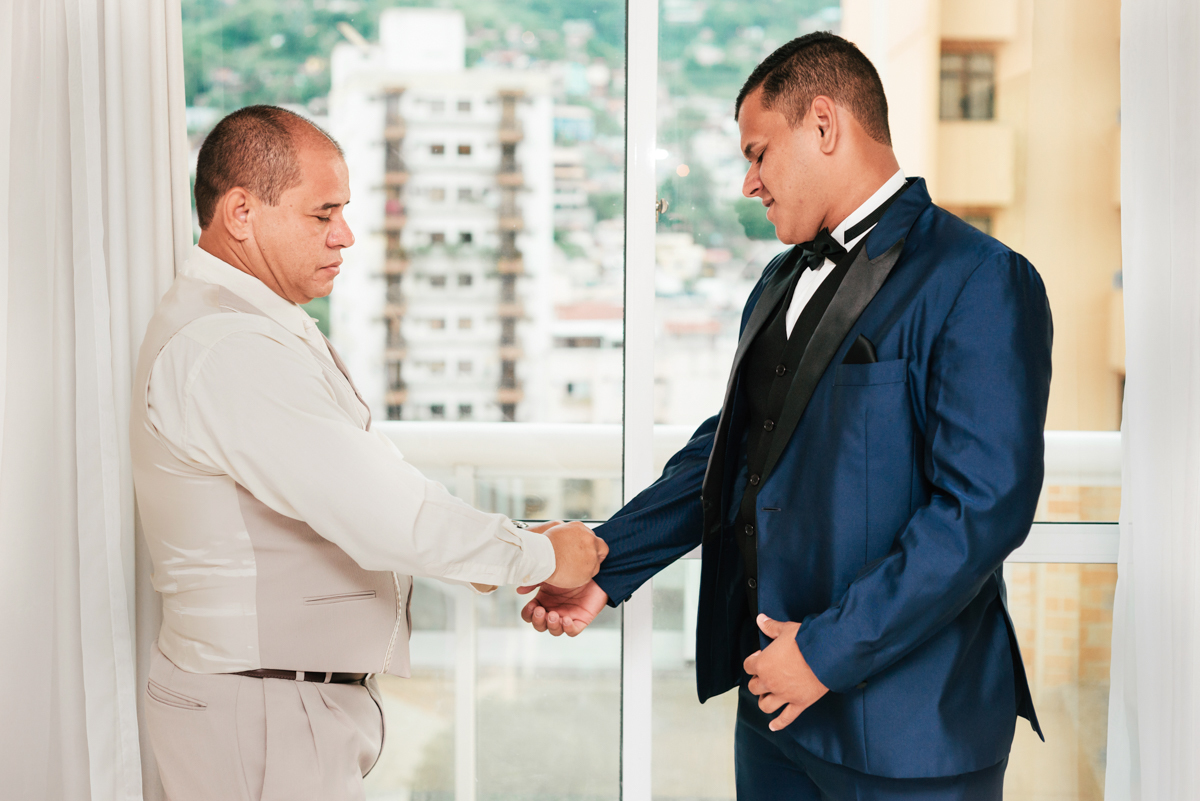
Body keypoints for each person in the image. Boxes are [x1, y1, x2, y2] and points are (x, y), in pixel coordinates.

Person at [520, 32, 1051, 800]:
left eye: (758, 153)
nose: (749, 183)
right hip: (773, 715)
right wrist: (608, 560)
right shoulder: (775, 280)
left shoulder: (981, 277)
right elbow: (733, 452)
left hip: (912, 735)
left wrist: (824, 653)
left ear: (825, 125)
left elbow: (982, 510)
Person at [130, 105, 608, 801]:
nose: (345, 235)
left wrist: (492, 552)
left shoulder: (250, 324)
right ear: (240, 212)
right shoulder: (229, 347)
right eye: (322, 214)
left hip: (272, 706)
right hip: (259, 715)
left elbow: (372, 479)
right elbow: (383, 513)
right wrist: (539, 556)